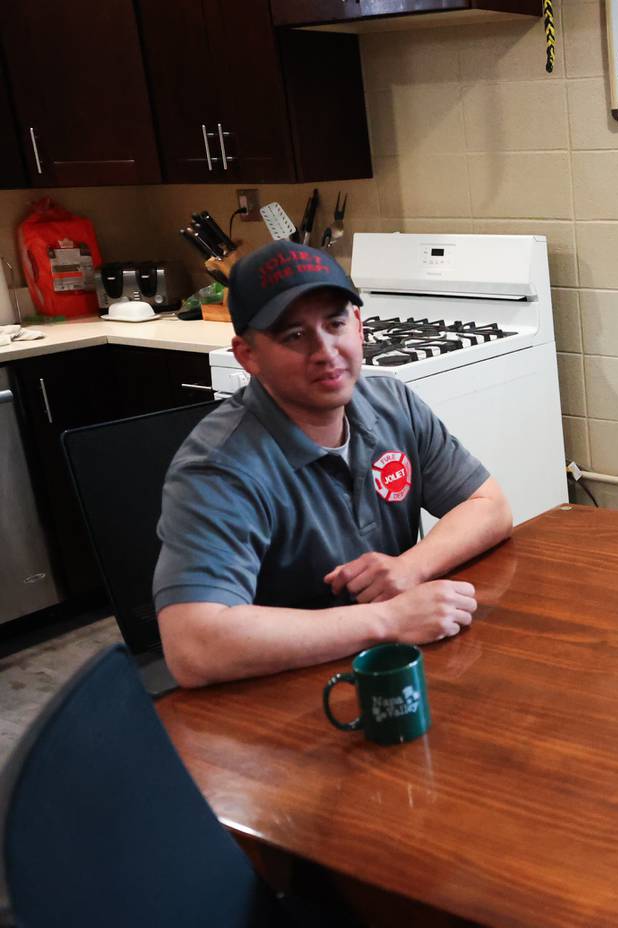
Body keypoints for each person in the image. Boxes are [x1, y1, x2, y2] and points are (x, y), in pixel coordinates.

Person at [154, 240, 512, 687]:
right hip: (277, 698)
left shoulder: (391, 403)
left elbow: (489, 504)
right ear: (248, 356)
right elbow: (193, 646)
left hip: (389, 673)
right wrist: (387, 620)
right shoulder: (218, 468)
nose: (326, 351)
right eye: (294, 335)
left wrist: (409, 569)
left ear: (358, 326)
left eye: (335, 323)